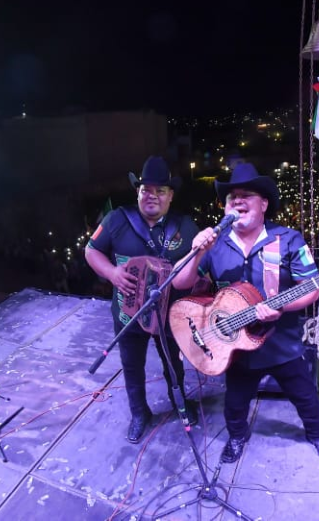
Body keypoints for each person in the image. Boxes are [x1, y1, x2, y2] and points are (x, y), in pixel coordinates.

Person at [171, 162, 319, 465]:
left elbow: (311, 289)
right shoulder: (216, 243)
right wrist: (197, 252)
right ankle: (237, 436)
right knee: (235, 404)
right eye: (231, 197)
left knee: (305, 397)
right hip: (236, 349)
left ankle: (317, 436)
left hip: (281, 344)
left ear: (263, 204)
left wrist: (280, 307)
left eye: (246, 195)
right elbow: (180, 283)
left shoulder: (288, 239)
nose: (237, 200)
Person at [85, 156, 200, 443]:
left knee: (173, 364)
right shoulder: (117, 220)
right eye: (146, 189)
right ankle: (139, 413)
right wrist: (112, 273)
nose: (152, 195)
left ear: (170, 196)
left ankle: (180, 404)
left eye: (160, 190)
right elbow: (91, 250)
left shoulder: (185, 226)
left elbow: (199, 269)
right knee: (132, 366)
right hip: (128, 316)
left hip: (169, 315)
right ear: (137, 192)